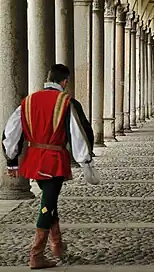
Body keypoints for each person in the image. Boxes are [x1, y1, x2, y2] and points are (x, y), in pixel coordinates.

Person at [2, 64, 100, 269]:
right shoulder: (66, 102)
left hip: (34, 157)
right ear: (64, 81)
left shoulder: (27, 102)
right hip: (53, 160)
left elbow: (10, 132)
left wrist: (11, 159)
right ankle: (36, 254)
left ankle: (58, 245)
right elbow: (79, 132)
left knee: (50, 199)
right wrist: (86, 161)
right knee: (47, 203)